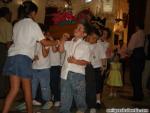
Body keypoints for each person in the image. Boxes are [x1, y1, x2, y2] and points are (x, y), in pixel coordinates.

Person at [2, 1, 57, 113]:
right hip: (23, 58)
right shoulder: (33, 24)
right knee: (28, 90)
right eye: (35, 13)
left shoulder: (17, 24)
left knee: (14, 89)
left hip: (12, 57)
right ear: (32, 12)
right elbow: (45, 43)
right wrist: (56, 42)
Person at [59, 23, 91, 113]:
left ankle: (81, 109)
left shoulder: (86, 45)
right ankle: (64, 110)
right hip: (65, 74)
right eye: (77, 27)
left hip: (78, 75)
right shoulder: (68, 43)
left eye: (80, 28)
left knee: (79, 96)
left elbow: (87, 61)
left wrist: (75, 61)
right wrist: (63, 38)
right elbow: (61, 50)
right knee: (65, 96)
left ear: (84, 34)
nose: (76, 29)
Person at [84, 26, 105, 113]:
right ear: (88, 35)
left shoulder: (99, 45)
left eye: (96, 38)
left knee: (97, 85)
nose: (95, 40)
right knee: (87, 85)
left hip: (96, 68)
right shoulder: (84, 44)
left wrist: (103, 66)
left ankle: (98, 101)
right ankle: (87, 101)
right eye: (93, 37)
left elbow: (103, 57)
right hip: (85, 68)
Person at [127, 22, 145, 101]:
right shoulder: (143, 34)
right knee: (139, 77)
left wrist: (128, 53)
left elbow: (130, 48)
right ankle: (140, 94)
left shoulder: (135, 35)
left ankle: (136, 96)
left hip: (136, 56)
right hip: (142, 55)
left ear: (137, 26)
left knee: (133, 77)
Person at [96, 27, 111, 108]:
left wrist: (104, 67)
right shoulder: (96, 41)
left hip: (103, 65)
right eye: (103, 33)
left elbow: (107, 56)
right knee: (95, 82)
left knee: (100, 82)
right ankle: (95, 99)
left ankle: (98, 100)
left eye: (106, 34)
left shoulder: (107, 44)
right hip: (95, 64)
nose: (104, 35)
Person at [0, 7, 13, 98]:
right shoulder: (7, 25)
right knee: (3, 72)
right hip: (3, 48)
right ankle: (2, 93)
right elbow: (8, 42)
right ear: (6, 14)